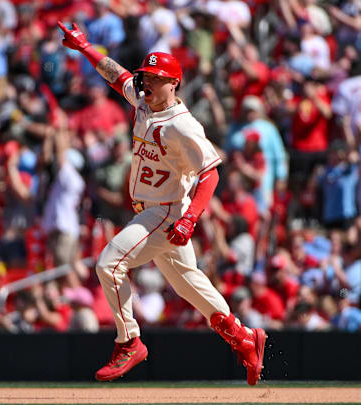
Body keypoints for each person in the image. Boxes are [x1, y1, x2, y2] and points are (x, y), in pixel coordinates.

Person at [58, 22, 267, 385]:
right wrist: (86, 46)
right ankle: (243, 336)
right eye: (145, 76)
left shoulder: (183, 125)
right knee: (189, 283)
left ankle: (129, 341)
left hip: (167, 210)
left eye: (154, 78)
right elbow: (116, 75)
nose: (146, 83)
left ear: (174, 84)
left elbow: (211, 173)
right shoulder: (142, 102)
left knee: (109, 265)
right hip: (150, 209)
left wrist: (190, 219)